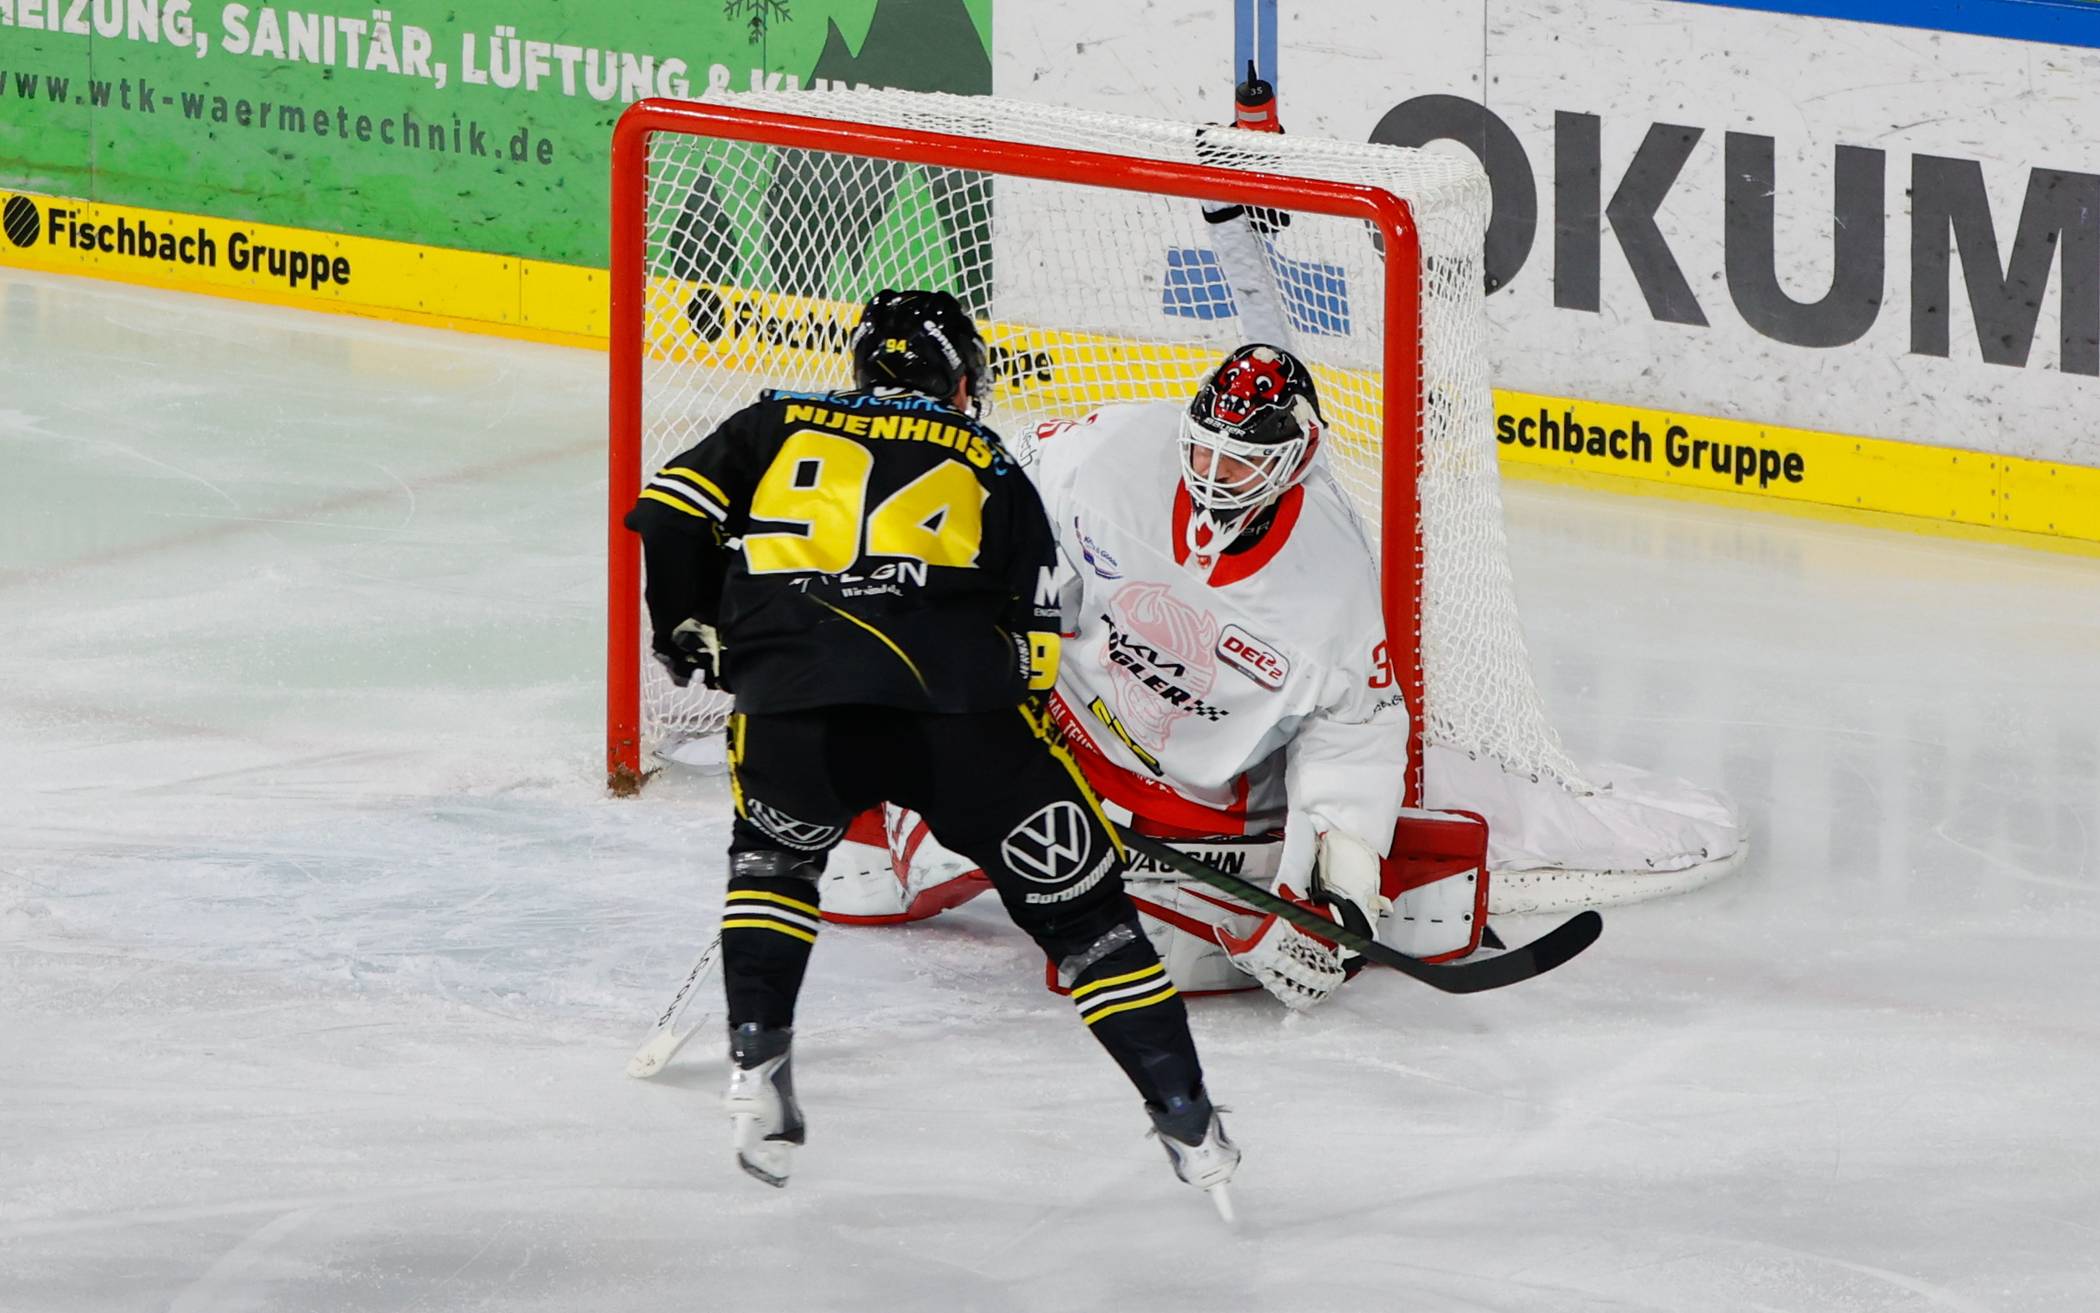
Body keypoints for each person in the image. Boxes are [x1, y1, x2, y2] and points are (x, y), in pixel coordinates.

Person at [820, 105, 1491, 1011]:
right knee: (899, 863)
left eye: (1239, 464)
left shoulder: (1331, 581)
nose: (1213, 476)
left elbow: (1355, 731)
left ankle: (1232, 902)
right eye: (1204, 451)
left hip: (1196, 797)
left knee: (1114, 951)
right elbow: (994, 518)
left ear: (1291, 464)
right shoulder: (1108, 455)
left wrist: (1343, 884)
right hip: (1064, 734)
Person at [623, 288, 1239, 1208]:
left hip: (792, 709)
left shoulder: (771, 420)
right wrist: (1034, 778)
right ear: (959, 380)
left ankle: (757, 1065)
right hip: (957, 722)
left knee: (774, 868)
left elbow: (669, 512)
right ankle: (1186, 1118)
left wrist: (686, 622)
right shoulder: (990, 458)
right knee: (1086, 920)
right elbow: (1033, 656)